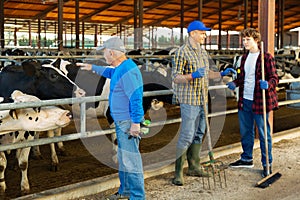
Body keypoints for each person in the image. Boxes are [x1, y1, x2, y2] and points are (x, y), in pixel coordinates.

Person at [77, 37, 145, 199]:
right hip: (122, 121)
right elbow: (110, 72)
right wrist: (92, 67)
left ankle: (137, 196)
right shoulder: (122, 68)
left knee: (131, 160)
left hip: (128, 122)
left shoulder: (127, 71)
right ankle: (125, 191)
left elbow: (135, 98)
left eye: (105, 53)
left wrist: (135, 123)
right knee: (124, 158)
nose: (104, 56)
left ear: (112, 53)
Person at [171, 20, 236, 186]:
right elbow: (176, 78)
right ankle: (178, 173)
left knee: (200, 132)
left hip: (202, 99)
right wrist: (192, 75)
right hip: (189, 100)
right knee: (186, 135)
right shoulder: (181, 52)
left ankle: (194, 167)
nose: (205, 36)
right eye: (202, 33)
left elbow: (206, 74)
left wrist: (221, 73)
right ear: (193, 33)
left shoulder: (202, 52)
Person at [226, 28, 279, 178]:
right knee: (245, 131)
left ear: (256, 40)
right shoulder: (243, 58)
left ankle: (267, 163)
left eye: (247, 39)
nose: (245, 42)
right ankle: (247, 158)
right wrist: (235, 83)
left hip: (260, 101)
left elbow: (275, 78)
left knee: (263, 133)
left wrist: (268, 84)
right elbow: (243, 78)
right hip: (245, 100)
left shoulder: (266, 58)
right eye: (243, 40)